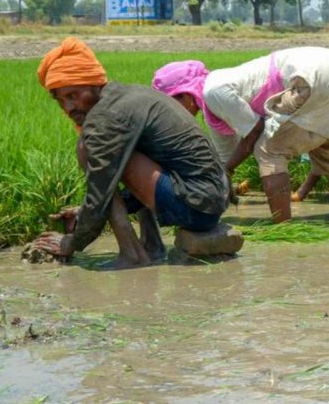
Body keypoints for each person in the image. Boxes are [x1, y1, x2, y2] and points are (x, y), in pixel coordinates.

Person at [29, 37, 235, 267]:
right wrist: (84, 211)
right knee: (119, 154)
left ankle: (132, 255)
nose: (68, 108)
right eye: (61, 101)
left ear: (94, 84)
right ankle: (152, 244)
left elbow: (101, 192)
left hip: (198, 207)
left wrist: (72, 242)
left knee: (86, 148)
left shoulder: (106, 118)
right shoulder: (125, 97)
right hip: (211, 199)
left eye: (73, 95)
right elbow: (130, 184)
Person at [151, 47, 329, 223]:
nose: (174, 113)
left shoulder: (212, 90)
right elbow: (225, 158)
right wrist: (221, 178)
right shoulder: (215, 104)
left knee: (268, 150)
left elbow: (254, 132)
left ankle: (284, 228)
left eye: (172, 104)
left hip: (307, 74)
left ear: (185, 95)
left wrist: (227, 169)